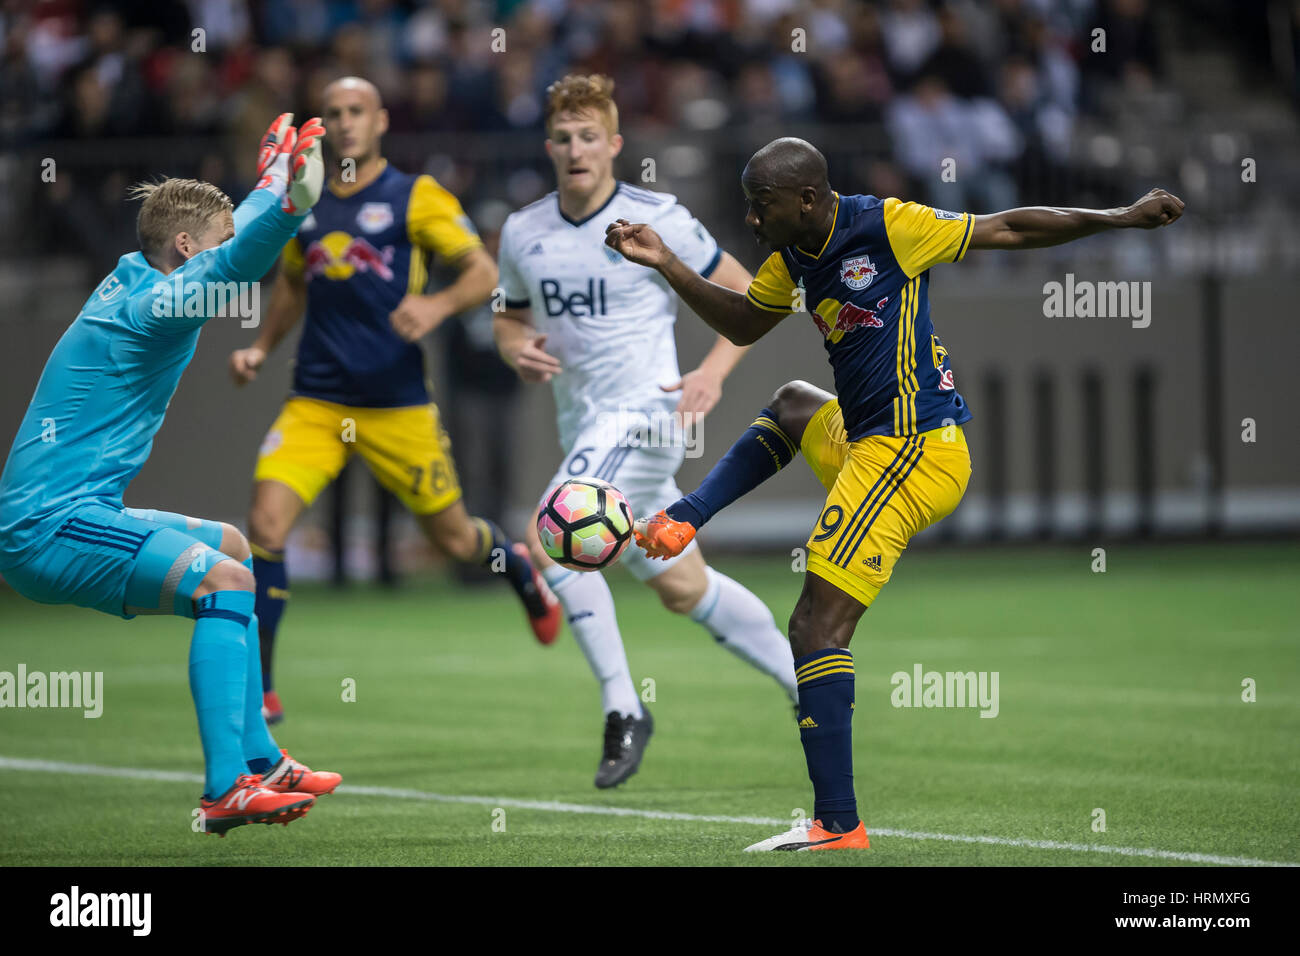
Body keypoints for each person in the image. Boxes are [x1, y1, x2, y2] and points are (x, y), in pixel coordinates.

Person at [605, 136, 1184, 849]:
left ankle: (837, 825)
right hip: (869, 439)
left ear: (808, 199)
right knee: (792, 403)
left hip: (914, 451)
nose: (752, 221)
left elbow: (1006, 226)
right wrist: (667, 262)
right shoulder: (791, 259)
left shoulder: (887, 226)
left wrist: (1119, 216)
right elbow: (746, 322)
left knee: (815, 627)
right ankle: (687, 517)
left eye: (763, 206)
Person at [0, 114, 343, 835]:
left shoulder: (137, 281)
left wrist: (272, 185)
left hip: (75, 507)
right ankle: (225, 789)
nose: (220, 251)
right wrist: (286, 206)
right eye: (210, 241)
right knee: (227, 582)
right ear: (184, 248)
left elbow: (223, 253)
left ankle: (262, 761)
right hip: (47, 526)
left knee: (233, 549)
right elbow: (232, 267)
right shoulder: (155, 306)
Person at [494, 75, 799, 789]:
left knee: (559, 527)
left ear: (614, 145)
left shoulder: (658, 216)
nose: (576, 149)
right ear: (550, 146)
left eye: (589, 137)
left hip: (647, 413)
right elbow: (508, 315)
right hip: (587, 429)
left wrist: (714, 372)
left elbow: (753, 297)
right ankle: (805, 679)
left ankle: (625, 709)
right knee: (682, 587)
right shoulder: (523, 231)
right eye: (564, 138)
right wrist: (514, 345)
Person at [228, 77, 559, 725]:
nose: (346, 123)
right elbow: (293, 286)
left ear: (380, 120)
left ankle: (516, 565)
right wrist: (262, 347)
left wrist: (434, 305)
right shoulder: (304, 200)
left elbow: (483, 273)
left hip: (398, 406)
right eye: (334, 113)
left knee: (458, 539)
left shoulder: (416, 196)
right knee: (263, 527)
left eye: (357, 111)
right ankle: (263, 688)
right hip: (317, 403)